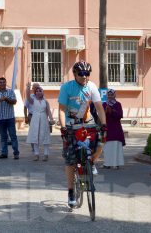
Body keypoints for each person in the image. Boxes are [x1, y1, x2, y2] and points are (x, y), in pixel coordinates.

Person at [58, 60, 107, 207]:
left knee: (101, 141)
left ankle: (91, 162)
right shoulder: (67, 87)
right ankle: (71, 192)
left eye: (87, 74)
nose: (84, 76)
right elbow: (61, 109)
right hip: (71, 125)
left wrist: (104, 125)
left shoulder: (91, 86)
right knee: (70, 159)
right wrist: (63, 128)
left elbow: (99, 107)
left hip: (88, 122)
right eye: (81, 74)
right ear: (74, 74)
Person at [0, 77, 20, 159]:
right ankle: (4, 153)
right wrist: (0, 100)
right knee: (3, 137)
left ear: (6, 83)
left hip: (10, 118)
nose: (2, 83)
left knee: (13, 136)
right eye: (0, 82)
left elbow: (14, 102)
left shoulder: (10, 92)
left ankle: (16, 153)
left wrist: (6, 99)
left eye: (3, 82)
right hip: (0, 118)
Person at [26, 83, 55, 161]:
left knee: (45, 136)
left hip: (43, 119)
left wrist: (51, 119)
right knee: (35, 136)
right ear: (35, 93)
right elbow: (28, 97)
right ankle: (36, 154)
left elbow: (48, 111)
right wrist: (28, 88)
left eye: (40, 91)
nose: (38, 92)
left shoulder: (45, 101)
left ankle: (46, 154)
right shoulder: (33, 101)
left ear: (42, 92)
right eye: (37, 91)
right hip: (35, 119)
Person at [102, 89, 125, 169]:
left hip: (116, 128)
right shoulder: (104, 104)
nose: (110, 97)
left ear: (114, 95)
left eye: (112, 95)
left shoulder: (118, 104)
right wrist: (106, 111)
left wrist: (112, 111)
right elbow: (101, 116)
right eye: (109, 95)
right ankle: (107, 164)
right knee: (107, 147)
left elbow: (120, 115)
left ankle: (115, 164)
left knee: (115, 146)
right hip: (107, 128)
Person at [24, 82, 40, 152]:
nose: (36, 89)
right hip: (31, 116)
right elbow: (25, 107)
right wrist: (25, 117)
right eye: (35, 88)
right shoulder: (30, 97)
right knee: (33, 132)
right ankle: (34, 147)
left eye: (38, 87)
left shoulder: (42, 96)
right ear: (32, 89)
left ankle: (37, 146)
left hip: (39, 116)